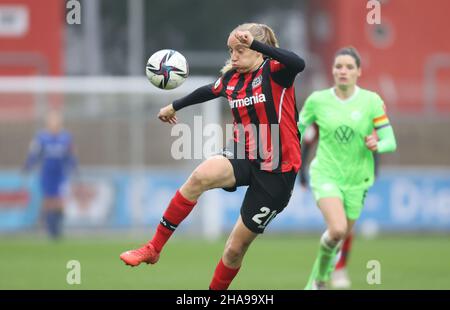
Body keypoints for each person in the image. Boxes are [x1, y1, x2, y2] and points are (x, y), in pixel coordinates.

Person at [119, 23, 305, 290]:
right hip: (244, 152)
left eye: (240, 50)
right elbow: (208, 90)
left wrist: (256, 44)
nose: (234, 57)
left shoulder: (276, 73)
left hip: (278, 171)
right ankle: (153, 247)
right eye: (231, 51)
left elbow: (299, 63)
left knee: (233, 250)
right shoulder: (232, 78)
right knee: (200, 176)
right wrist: (174, 105)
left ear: (258, 50)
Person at [298, 47, 397, 290]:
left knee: (339, 237)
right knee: (337, 229)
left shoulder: (371, 101)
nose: (343, 71)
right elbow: (298, 131)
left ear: (359, 72)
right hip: (325, 174)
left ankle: (323, 276)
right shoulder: (317, 101)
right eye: (338, 66)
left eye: (349, 67)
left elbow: (390, 141)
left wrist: (378, 144)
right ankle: (317, 282)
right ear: (332, 70)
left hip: (357, 180)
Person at [22, 109, 78, 239]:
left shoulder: (66, 137)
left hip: (61, 174)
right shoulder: (41, 137)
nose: (54, 124)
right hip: (46, 174)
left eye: (56, 121)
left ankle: (57, 228)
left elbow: (71, 155)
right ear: (48, 123)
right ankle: (50, 229)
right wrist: (28, 166)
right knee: (48, 200)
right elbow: (34, 154)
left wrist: (74, 167)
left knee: (59, 200)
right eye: (52, 121)